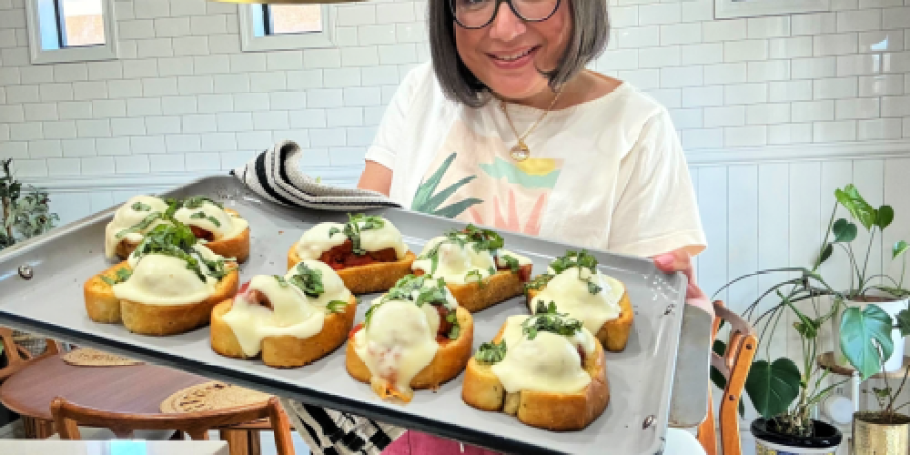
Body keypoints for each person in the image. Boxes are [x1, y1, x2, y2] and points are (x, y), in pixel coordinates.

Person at [279, 0, 712, 453]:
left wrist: (687, 324)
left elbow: (642, 351)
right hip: (402, 427)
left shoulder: (638, 128)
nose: (504, 29)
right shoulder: (420, 93)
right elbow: (363, 263)